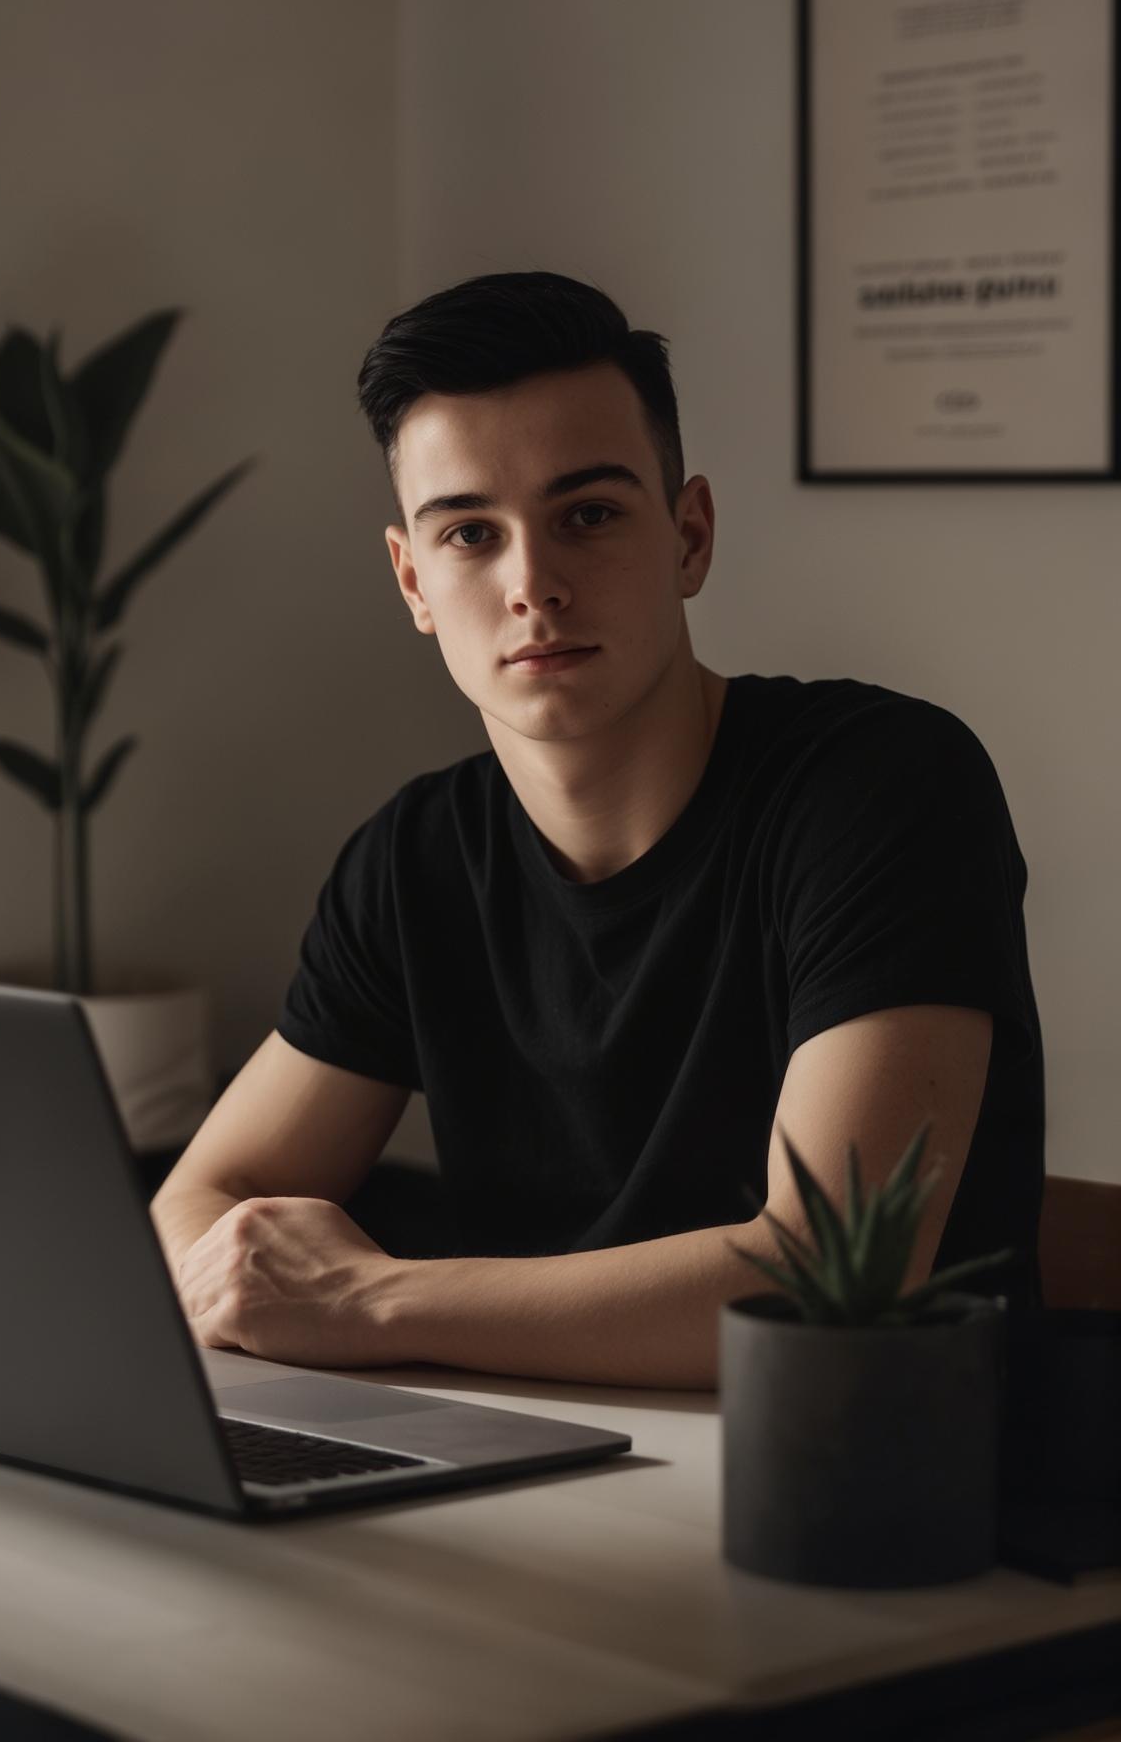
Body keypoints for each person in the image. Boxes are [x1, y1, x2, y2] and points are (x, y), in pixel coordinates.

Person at [150, 271, 1045, 1389]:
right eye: (471, 532)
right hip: (539, 1475)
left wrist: (370, 1298)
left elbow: (830, 1278)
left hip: (880, 1503)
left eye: (587, 514)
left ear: (689, 534)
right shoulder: (417, 854)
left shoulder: (881, 786)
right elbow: (199, 1197)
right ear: (412, 579)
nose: (534, 583)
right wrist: (263, 1278)